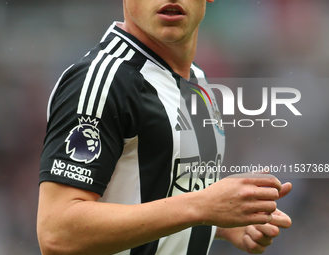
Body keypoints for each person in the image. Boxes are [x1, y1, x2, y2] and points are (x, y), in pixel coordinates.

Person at [37, 1, 292, 255]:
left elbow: (151, 198)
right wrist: (203, 207)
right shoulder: (104, 80)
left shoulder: (196, 78)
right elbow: (58, 232)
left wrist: (218, 223)